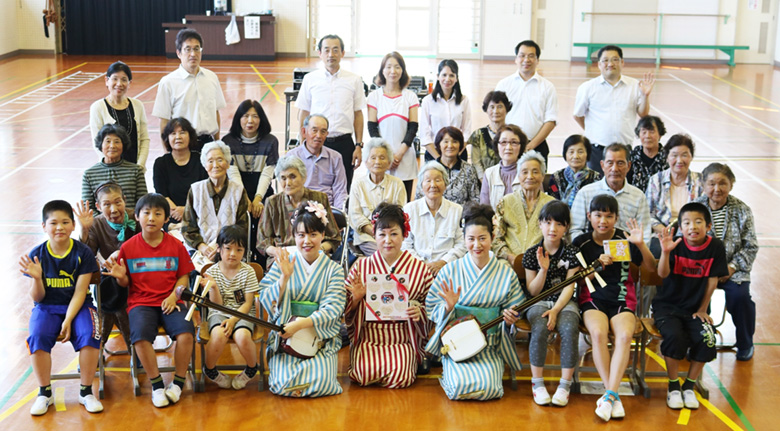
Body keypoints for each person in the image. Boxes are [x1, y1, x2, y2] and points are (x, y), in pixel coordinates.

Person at [102, 193, 195, 408]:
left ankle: (178, 383)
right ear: (136, 217)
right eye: (146, 213)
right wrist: (120, 276)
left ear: (165, 219)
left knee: (186, 334)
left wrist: (174, 295)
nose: (151, 218)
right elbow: (126, 284)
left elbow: (183, 276)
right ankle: (157, 385)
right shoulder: (128, 247)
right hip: (141, 303)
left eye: (157, 213)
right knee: (140, 338)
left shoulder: (176, 246)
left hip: (172, 301)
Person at [425, 203, 524, 400]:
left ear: (492, 238)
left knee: (489, 389)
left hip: (489, 346)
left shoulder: (505, 272)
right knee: (459, 387)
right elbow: (431, 306)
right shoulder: (450, 270)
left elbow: (515, 306)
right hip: (458, 344)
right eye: (470, 239)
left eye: (482, 239)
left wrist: (510, 318)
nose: (477, 245)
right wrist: (448, 307)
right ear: (464, 239)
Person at [572, 194, 655, 422]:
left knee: (625, 335)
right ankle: (613, 395)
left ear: (616, 218)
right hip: (593, 300)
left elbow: (651, 267)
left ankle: (608, 395)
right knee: (598, 334)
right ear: (589, 216)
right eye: (598, 215)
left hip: (622, 300)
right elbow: (575, 280)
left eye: (609, 216)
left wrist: (640, 244)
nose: (603, 220)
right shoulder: (581, 243)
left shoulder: (625, 239)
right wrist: (594, 267)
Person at [20, 200, 103, 415]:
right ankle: (44, 393)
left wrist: (67, 320)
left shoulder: (82, 252)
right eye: (53, 222)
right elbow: (37, 297)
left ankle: (86, 391)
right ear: (44, 226)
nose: (59, 227)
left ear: (73, 225)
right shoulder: (37, 254)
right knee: (37, 335)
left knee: (90, 334)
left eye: (65, 222)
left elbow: (80, 292)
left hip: (79, 305)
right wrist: (37, 279)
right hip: (47, 306)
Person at [259, 202, 347, 397]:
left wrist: (299, 325)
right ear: (294, 236)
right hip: (287, 340)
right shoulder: (282, 263)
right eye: (301, 235)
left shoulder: (334, 270)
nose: (307, 241)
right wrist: (284, 278)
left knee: (322, 383)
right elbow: (266, 297)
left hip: (319, 339)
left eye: (313, 234)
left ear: (323, 236)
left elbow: (333, 308)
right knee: (283, 383)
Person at [345, 203, 433, 389]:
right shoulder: (361, 267)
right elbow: (343, 308)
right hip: (369, 337)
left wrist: (419, 312)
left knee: (401, 377)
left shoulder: (419, 268)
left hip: (402, 338)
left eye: (394, 234)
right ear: (374, 236)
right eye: (382, 234)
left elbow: (432, 306)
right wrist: (356, 299)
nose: (388, 240)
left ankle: (410, 357)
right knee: (362, 375)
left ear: (404, 234)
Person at [654, 202, 727, 410]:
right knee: (675, 337)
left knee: (708, 339)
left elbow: (713, 280)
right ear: (681, 228)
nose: (692, 226)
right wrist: (666, 253)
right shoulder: (675, 244)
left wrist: (703, 309)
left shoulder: (716, 247)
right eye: (686, 222)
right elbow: (662, 274)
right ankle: (673, 386)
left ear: (708, 226)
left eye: (698, 222)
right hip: (667, 307)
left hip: (696, 309)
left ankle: (689, 385)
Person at [694, 163, 758, 361]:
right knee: (693, 296)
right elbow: (685, 239)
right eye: (711, 183)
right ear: (703, 185)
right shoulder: (695, 208)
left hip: (734, 270)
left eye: (722, 183)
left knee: (740, 298)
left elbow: (751, 246)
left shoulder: (742, 210)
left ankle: (745, 342)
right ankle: (700, 340)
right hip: (701, 270)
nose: (717, 189)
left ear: (731, 185)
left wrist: (730, 267)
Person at [522, 201, 581, 406]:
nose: (552, 228)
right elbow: (533, 291)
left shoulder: (572, 252)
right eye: (548, 222)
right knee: (539, 328)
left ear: (566, 227)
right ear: (540, 224)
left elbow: (569, 286)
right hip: (538, 301)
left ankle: (564, 385)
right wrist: (543, 270)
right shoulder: (532, 254)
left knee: (569, 327)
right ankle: (537, 383)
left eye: (558, 223)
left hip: (564, 302)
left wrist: (556, 309)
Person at [74, 182, 140, 352]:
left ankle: (97, 349)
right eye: (107, 204)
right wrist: (84, 230)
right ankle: (134, 348)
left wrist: (121, 255)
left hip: (136, 278)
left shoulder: (137, 218)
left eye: (118, 202)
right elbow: (86, 256)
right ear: (98, 206)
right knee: (112, 297)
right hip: (108, 279)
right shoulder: (96, 224)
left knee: (111, 305)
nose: (113, 209)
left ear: (125, 200)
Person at [296, 34, 365, 188]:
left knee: (343, 189)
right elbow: (304, 112)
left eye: (335, 50)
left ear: (342, 53)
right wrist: (302, 142)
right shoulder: (310, 79)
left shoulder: (354, 80)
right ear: (319, 53)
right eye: (326, 50)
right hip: (316, 142)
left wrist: (359, 145)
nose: (331, 54)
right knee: (313, 187)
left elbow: (358, 114)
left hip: (344, 143)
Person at [573, 44, 655, 174]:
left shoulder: (634, 85)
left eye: (615, 59)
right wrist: (592, 131)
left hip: (625, 149)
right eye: (605, 60)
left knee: (623, 190)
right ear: (599, 64)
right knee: (597, 189)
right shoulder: (588, 87)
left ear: (622, 62)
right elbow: (578, 115)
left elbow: (643, 114)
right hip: (596, 151)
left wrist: (645, 96)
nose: (610, 64)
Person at [201, 225, 260, 390]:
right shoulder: (212, 271)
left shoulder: (248, 271)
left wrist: (234, 320)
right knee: (219, 335)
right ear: (219, 249)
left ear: (244, 251)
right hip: (219, 312)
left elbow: (248, 303)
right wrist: (213, 287)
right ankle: (210, 369)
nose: (233, 253)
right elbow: (217, 305)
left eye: (239, 249)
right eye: (228, 248)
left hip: (243, 313)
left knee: (242, 336)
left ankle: (251, 368)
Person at [258, 156, 341, 268]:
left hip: (314, 255)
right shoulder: (272, 203)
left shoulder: (320, 198)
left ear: (304, 177)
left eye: (292, 177)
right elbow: (262, 241)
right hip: (283, 258)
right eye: (283, 178)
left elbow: (334, 238)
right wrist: (277, 252)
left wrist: (318, 249)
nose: (287, 183)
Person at [152, 29, 226, 151]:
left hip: (208, 144)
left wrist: (217, 142)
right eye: (187, 49)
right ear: (178, 53)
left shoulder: (212, 77)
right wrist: (167, 153)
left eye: (197, 49)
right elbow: (164, 121)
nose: (193, 54)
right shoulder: (168, 82)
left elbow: (215, 112)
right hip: (182, 145)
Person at [181, 141, 250, 261]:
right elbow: (187, 227)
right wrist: (202, 247)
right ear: (205, 165)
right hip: (199, 253)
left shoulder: (238, 191)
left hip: (229, 252)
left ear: (228, 164)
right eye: (210, 161)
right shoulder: (195, 190)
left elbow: (242, 228)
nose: (215, 165)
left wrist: (222, 249)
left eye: (220, 160)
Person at [570, 143, 652, 243]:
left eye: (620, 163)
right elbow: (575, 230)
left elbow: (645, 234)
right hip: (591, 254)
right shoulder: (585, 193)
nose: (614, 169)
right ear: (602, 165)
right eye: (610, 163)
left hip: (628, 253)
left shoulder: (638, 196)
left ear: (629, 166)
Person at [367, 51, 420, 199]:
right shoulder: (374, 96)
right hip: (381, 158)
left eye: (397, 67)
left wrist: (399, 154)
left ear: (402, 71)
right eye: (388, 67)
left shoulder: (410, 96)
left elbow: (413, 127)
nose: (393, 71)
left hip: (405, 158)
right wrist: (386, 156)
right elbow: (372, 128)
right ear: (382, 70)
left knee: (403, 203)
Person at [495, 40, 557, 167]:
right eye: (522, 55)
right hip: (508, 147)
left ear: (537, 60)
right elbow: (496, 116)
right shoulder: (504, 85)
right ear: (516, 59)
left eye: (531, 56)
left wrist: (530, 146)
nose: (526, 60)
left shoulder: (547, 87)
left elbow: (551, 121)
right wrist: (508, 143)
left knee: (535, 184)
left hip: (537, 147)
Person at [402, 161, 467, 276]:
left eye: (438, 180)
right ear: (421, 185)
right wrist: (422, 265)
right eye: (428, 180)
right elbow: (405, 244)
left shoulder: (457, 210)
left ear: (445, 184)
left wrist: (443, 262)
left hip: (448, 269)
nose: (433, 185)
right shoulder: (409, 210)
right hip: (416, 269)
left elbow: (462, 243)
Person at [493, 151, 555, 266]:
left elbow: (557, 239)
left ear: (542, 176)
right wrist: (511, 257)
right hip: (508, 262)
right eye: (524, 172)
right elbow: (496, 238)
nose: (530, 177)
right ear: (518, 176)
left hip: (541, 263)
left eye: (535, 172)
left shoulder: (552, 205)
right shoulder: (505, 202)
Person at [646, 134, 704, 255]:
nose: (679, 160)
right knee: (657, 250)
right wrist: (664, 230)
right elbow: (647, 214)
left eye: (684, 155)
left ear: (691, 157)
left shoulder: (700, 181)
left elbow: (705, 213)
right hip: (662, 234)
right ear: (667, 157)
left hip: (692, 234)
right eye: (674, 155)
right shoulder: (656, 180)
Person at [348, 138, 407, 255]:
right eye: (373, 158)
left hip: (392, 236)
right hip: (366, 237)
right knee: (382, 254)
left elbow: (402, 214)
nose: (377, 162)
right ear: (366, 161)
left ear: (389, 162)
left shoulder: (397, 184)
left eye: (382, 158)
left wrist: (387, 234)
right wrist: (376, 233)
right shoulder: (358, 185)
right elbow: (355, 216)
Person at [221, 99, 279, 217]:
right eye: (245, 116)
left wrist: (258, 198)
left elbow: (267, 174)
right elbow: (233, 174)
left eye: (255, 116)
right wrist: (244, 198)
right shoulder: (228, 141)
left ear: (261, 119)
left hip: (263, 192)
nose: (250, 121)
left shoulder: (270, 141)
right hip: (236, 192)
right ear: (238, 119)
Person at [89, 61, 150, 168]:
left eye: (124, 80)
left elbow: (144, 139)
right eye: (115, 79)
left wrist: (140, 166)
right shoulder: (98, 107)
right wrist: (112, 165)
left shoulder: (138, 105)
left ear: (129, 83)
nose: (119, 84)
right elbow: (97, 143)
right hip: (110, 169)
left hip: (135, 169)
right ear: (106, 81)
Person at [82, 124, 148, 214]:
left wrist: (127, 220)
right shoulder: (89, 174)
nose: (112, 146)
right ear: (101, 145)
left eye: (117, 142)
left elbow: (143, 203)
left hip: (131, 223)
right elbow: (88, 208)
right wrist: (104, 224)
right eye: (108, 141)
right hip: (101, 226)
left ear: (123, 145)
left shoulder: (136, 171)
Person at [286, 114, 348, 210]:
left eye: (323, 132)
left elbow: (340, 191)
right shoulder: (292, 157)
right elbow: (288, 190)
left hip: (328, 209)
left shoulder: (336, 158)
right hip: (300, 210)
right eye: (314, 130)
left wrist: (339, 213)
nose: (319, 136)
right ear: (304, 132)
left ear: (327, 134)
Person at [153, 117, 208, 223]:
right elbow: (162, 195)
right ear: (167, 138)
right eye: (173, 133)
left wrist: (186, 211)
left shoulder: (201, 160)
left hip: (198, 213)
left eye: (182, 132)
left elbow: (205, 194)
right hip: (171, 214)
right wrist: (177, 213)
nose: (178, 137)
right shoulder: (161, 163)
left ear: (190, 136)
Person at [419, 59, 471, 161]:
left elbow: (467, 132)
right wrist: (439, 159)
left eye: (452, 75)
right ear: (438, 76)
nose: (447, 79)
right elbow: (424, 135)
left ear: (457, 78)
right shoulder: (427, 101)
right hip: (434, 154)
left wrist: (454, 156)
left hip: (458, 154)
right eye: (444, 75)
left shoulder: (464, 101)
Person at [414, 127, 480, 206]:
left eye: (455, 142)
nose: (450, 146)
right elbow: (418, 198)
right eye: (446, 142)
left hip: (460, 216)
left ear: (460, 145)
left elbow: (475, 200)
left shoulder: (469, 170)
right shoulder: (428, 169)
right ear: (439, 145)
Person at [479, 124, 527, 210]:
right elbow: (484, 209)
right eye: (504, 142)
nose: (508, 147)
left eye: (514, 142)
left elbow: (538, 209)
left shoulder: (530, 172)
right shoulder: (489, 173)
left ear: (521, 146)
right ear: (497, 145)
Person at [548, 134, 601, 207]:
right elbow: (552, 201)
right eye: (571, 152)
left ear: (587, 154)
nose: (576, 156)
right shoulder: (555, 178)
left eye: (580, 152)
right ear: (565, 154)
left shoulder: (596, 178)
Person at [469, 91, 512, 179]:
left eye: (500, 107)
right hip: (484, 182)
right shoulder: (478, 135)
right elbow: (476, 163)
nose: (496, 111)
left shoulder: (513, 133)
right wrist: (485, 181)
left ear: (507, 109)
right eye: (492, 107)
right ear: (486, 110)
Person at [627, 115, 668, 192]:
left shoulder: (667, 158)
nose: (647, 136)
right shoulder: (632, 157)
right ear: (639, 134)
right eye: (644, 132)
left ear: (660, 135)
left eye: (652, 132)